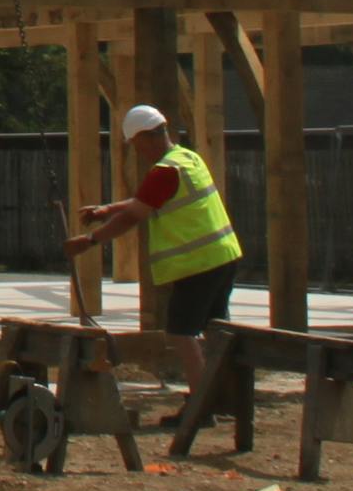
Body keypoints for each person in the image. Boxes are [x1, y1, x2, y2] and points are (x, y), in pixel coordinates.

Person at [65, 101, 245, 339]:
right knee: (218, 331)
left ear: (146, 137)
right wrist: (106, 210)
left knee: (182, 335)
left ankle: (201, 377)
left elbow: (133, 216)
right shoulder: (187, 158)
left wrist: (89, 240)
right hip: (223, 257)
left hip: (198, 264)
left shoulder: (164, 171)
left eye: (136, 145)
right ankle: (222, 376)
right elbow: (148, 201)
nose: (138, 152)